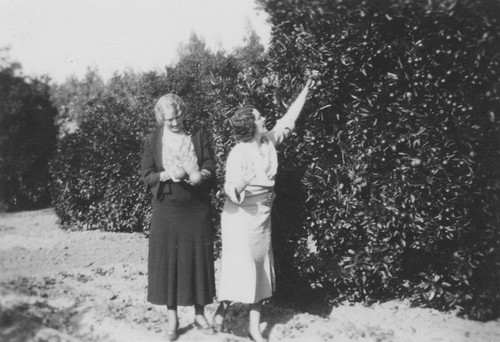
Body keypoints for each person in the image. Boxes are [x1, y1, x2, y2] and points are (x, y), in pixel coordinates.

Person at [213, 79, 314, 342]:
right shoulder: (238, 153)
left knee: (258, 269)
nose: (264, 118)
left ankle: (253, 329)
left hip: (262, 215)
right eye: (259, 117)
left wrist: (305, 90)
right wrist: (239, 186)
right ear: (250, 125)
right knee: (240, 267)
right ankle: (223, 307)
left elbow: (287, 121)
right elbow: (229, 191)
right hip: (241, 218)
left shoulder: (268, 142)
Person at [141, 94, 216, 341]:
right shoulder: (153, 140)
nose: (174, 123)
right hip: (168, 208)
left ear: (183, 113)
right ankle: (172, 318)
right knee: (170, 261)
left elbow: (210, 163)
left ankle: (199, 313)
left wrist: (202, 173)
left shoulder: (198, 135)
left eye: (177, 117)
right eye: (169, 120)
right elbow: (147, 176)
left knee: (197, 258)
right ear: (161, 119)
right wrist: (167, 174)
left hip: (197, 206)